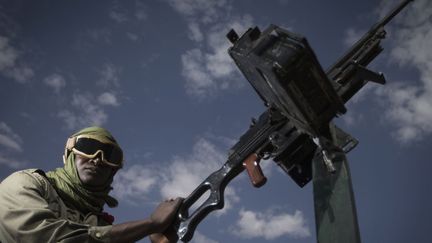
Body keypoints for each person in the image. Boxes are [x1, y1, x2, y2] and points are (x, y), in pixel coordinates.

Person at [0, 126, 182, 243]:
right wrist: (150, 224)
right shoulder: (26, 183)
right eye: (87, 148)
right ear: (69, 155)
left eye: (109, 157)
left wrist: (160, 240)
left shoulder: (97, 222)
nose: (97, 160)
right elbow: (43, 238)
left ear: (114, 171)